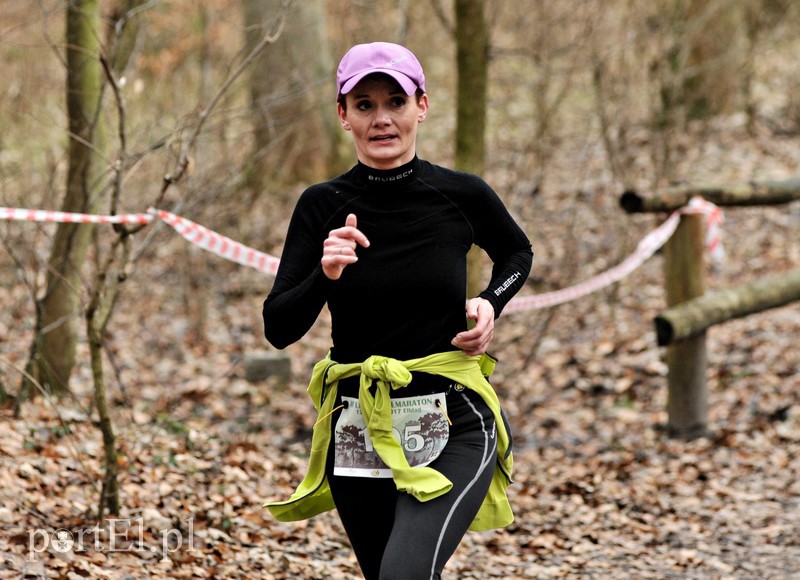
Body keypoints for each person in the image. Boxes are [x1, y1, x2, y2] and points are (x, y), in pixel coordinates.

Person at [262, 41, 533, 580]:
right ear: (343, 115)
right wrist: (325, 274)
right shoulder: (321, 205)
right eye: (364, 105)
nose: (381, 118)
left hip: (455, 418)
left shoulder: (461, 194)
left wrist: (489, 302)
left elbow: (517, 253)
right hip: (359, 422)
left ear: (422, 106)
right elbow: (278, 328)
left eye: (396, 102)